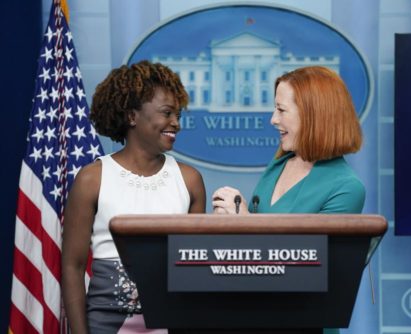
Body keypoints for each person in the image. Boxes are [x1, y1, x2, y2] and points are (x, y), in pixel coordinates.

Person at [212, 66, 365, 334]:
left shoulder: (347, 188)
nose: (273, 119)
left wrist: (245, 223)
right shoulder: (280, 163)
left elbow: (312, 272)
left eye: (281, 111)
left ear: (313, 115)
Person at [62, 60, 206, 333]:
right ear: (131, 116)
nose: (176, 123)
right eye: (167, 113)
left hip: (171, 324)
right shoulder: (92, 178)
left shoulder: (190, 181)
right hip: (105, 324)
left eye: (178, 115)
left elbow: (194, 270)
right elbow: (73, 265)